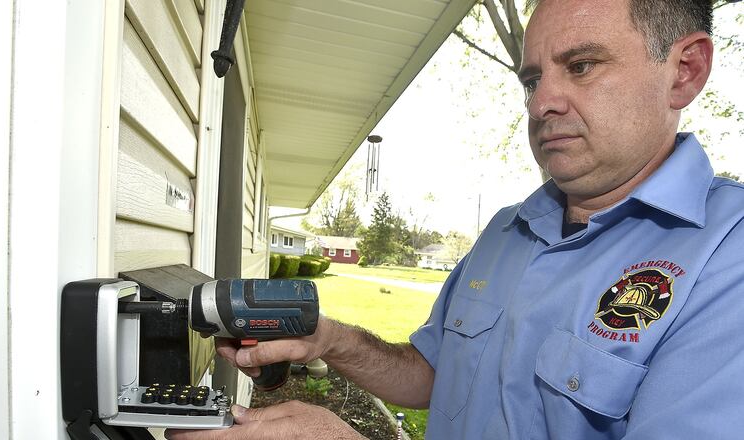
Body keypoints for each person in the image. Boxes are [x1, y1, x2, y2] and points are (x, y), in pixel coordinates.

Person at [167, 0, 744, 438]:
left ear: (685, 71)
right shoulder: (507, 231)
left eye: (583, 66)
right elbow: (432, 374)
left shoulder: (726, 257)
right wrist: (331, 339)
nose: (543, 103)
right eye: (532, 79)